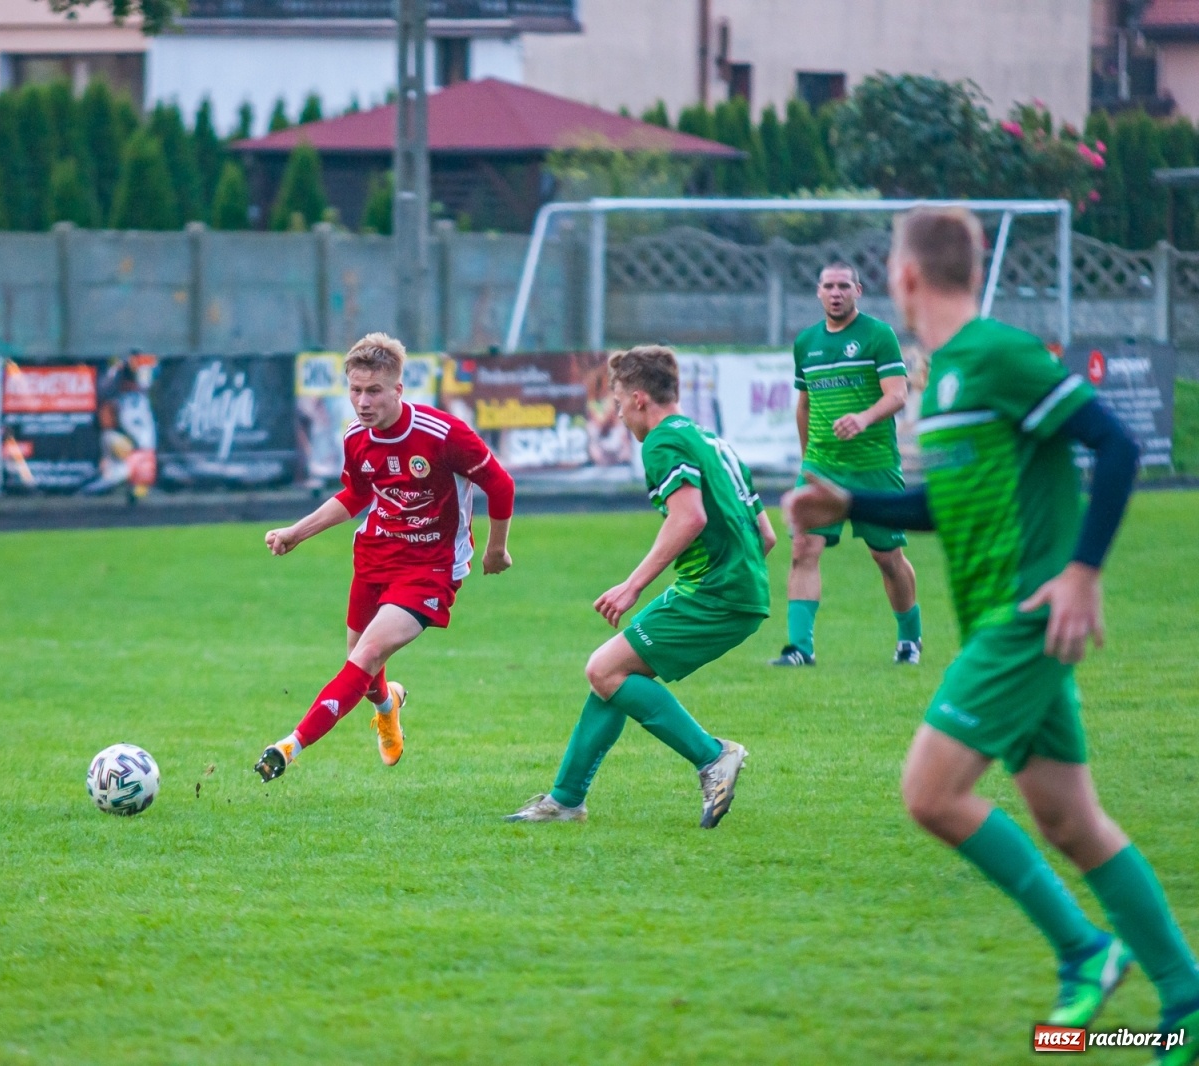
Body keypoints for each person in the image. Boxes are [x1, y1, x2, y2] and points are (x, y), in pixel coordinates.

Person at [785, 207, 1199, 1062]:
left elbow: (1117, 447)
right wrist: (852, 502)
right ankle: (1186, 1003)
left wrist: (1082, 572)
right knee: (1070, 820)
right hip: (996, 623)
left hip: (1023, 617)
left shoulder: (1000, 354)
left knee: (929, 793)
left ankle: (1084, 951)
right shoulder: (946, 376)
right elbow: (947, 504)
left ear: (903, 277)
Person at [505, 346, 774, 827]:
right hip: (732, 587)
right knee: (613, 674)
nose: (618, 413)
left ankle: (712, 756)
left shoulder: (661, 442)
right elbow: (767, 536)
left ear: (639, 398)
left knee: (603, 670)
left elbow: (689, 517)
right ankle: (565, 800)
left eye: (618, 402)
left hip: (715, 592)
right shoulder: (712, 441)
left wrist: (632, 586)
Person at [255, 332, 515, 782]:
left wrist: (496, 548)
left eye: (373, 390)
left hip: (431, 567)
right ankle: (387, 705)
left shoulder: (443, 434)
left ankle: (289, 746)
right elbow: (356, 494)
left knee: (368, 653)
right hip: (375, 555)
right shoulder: (356, 437)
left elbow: (500, 484)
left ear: (398, 389)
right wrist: (297, 533)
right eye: (355, 390)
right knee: (361, 662)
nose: (362, 402)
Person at [772, 263, 921, 667]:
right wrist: (808, 460)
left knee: (886, 557)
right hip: (822, 464)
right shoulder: (806, 342)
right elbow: (804, 405)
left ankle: (910, 639)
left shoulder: (878, 335)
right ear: (818, 292)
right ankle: (800, 649)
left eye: (843, 286)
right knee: (803, 548)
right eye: (828, 286)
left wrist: (863, 418)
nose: (836, 293)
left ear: (858, 290)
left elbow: (898, 394)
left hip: (874, 465)